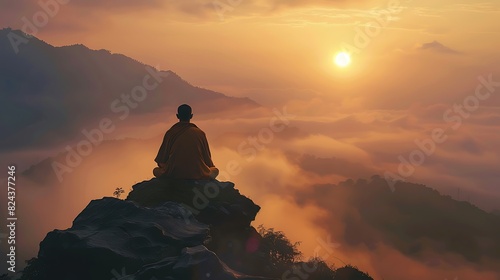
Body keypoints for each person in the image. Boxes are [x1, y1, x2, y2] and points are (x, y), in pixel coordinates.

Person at [153, 104, 219, 180]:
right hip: (198, 174)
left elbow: (161, 161)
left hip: (174, 174)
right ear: (191, 116)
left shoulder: (170, 133)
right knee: (215, 170)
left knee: (155, 170)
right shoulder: (200, 133)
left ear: (177, 116)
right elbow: (208, 162)